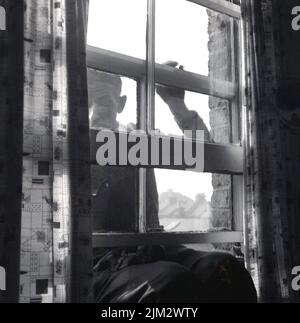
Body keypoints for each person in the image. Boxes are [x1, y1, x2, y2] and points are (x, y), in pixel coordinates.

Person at [88, 66, 257, 303]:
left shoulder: (137, 138)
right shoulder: (67, 145)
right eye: (85, 102)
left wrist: (176, 104)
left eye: (103, 102)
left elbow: (206, 152)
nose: (94, 112)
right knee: (170, 282)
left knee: (226, 268)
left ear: (121, 103)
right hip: (102, 262)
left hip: (154, 246)